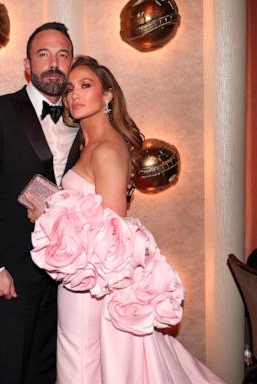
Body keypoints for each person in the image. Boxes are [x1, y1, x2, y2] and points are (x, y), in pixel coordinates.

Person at [30, 56, 225, 383]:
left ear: (107, 95)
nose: (74, 95)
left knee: (79, 363)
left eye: (86, 85)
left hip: (89, 281)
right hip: (83, 277)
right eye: (69, 89)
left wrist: (48, 216)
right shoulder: (90, 143)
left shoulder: (106, 149)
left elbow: (111, 233)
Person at [0, 22, 80, 384]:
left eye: (62, 55)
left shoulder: (84, 119)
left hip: (68, 272)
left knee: (50, 365)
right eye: (43, 54)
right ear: (27, 65)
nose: (54, 63)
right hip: (13, 269)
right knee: (12, 365)